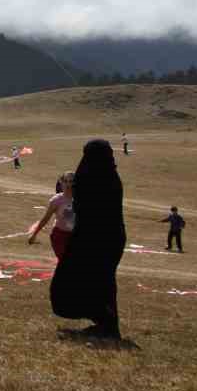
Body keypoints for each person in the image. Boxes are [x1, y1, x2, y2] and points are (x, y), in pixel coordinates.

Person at [50, 139, 126, 340]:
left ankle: (108, 326)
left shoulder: (90, 177)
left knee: (96, 281)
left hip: (94, 239)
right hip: (109, 238)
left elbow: (84, 206)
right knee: (102, 281)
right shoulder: (112, 177)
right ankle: (106, 324)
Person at [30, 173, 77, 259]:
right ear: (61, 183)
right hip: (60, 236)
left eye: (71, 181)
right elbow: (45, 219)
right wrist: (34, 234)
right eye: (65, 181)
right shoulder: (56, 200)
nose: (68, 184)